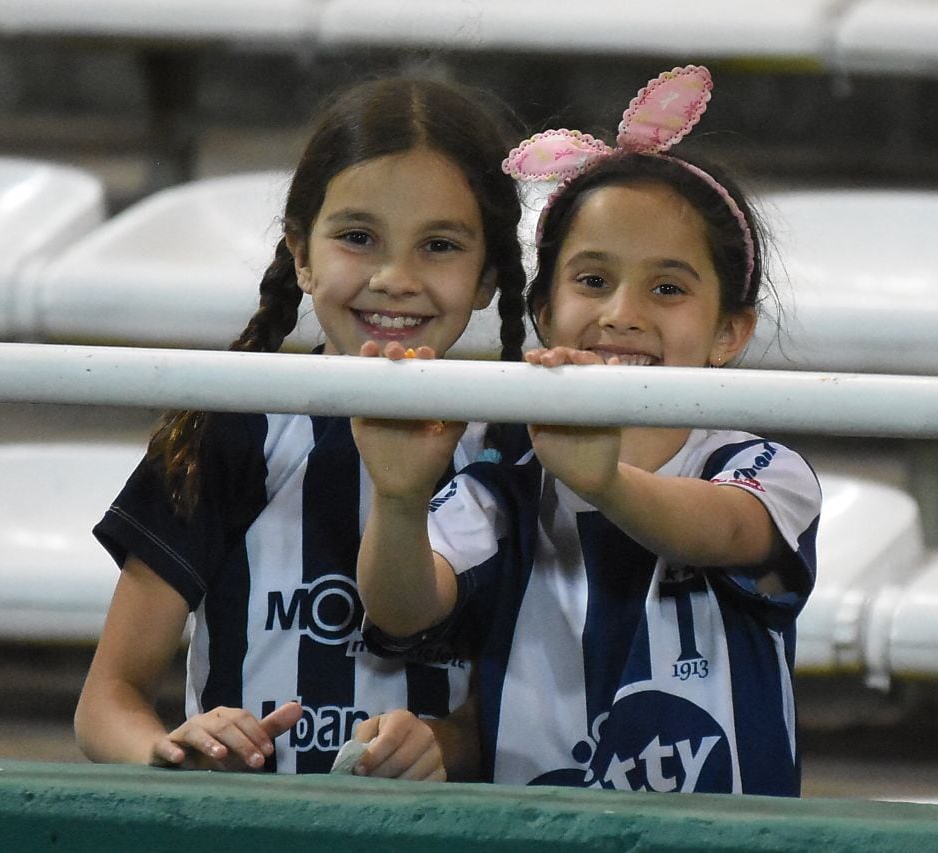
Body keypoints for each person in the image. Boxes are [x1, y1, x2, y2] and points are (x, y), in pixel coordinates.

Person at [352, 66, 820, 795]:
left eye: (668, 288)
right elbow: (402, 605)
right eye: (593, 280)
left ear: (730, 329)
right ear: (542, 309)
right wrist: (400, 497)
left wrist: (602, 480)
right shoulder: (505, 489)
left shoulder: (763, 468)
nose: (622, 313)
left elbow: (722, 532)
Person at [73, 75, 528, 779]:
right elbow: (108, 698)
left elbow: (533, 699)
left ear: (488, 275)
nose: (395, 278)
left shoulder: (519, 449)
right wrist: (172, 751)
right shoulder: (230, 427)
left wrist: (451, 742)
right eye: (358, 237)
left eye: (439, 245)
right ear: (302, 253)